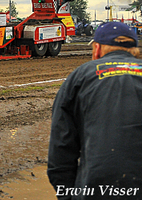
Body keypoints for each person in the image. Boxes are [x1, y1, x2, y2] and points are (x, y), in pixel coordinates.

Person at [48, 21, 142, 199]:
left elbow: (61, 150)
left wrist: (69, 195)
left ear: (97, 49)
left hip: (95, 187)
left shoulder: (80, 76)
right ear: (134, 50)